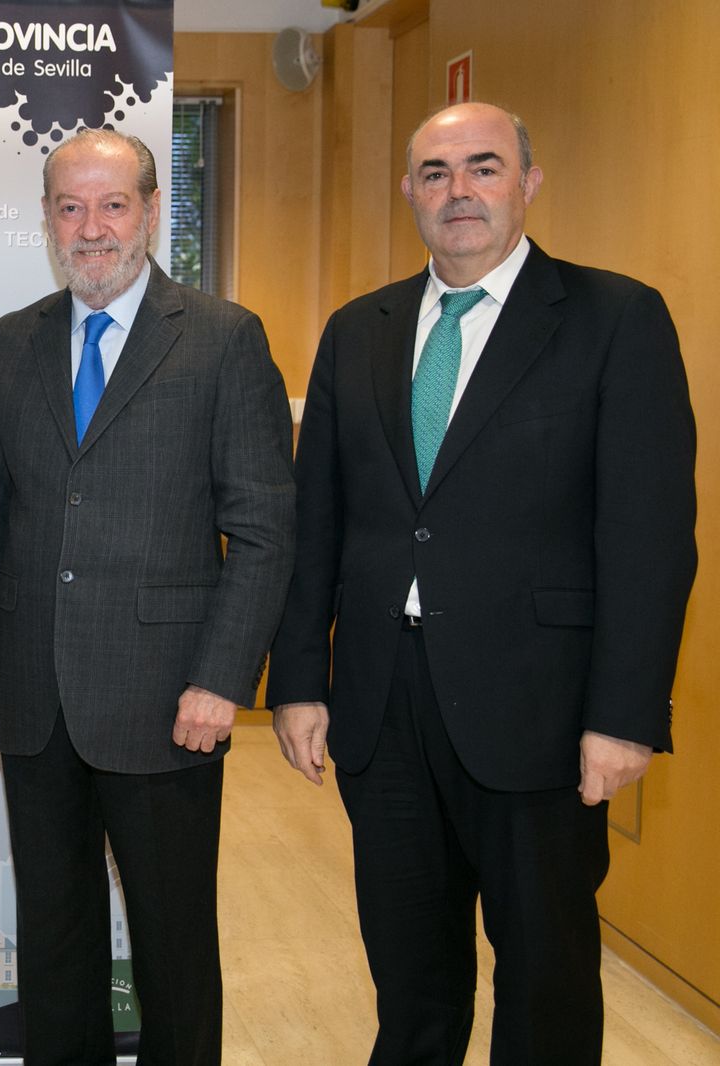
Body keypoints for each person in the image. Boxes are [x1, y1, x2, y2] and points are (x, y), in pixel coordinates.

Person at [267, 102, 697, 1064]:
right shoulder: (358, 330)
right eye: (434, 172)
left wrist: (624, 715)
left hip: (538, 710)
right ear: (410, 191)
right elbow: (318, 523)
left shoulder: (613, 318)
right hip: (383, 707)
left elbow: (650, 536)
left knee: (543, 980)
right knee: (410, 978)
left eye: (484, 167)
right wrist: (298, 681)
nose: (458, 191)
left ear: (529, 183)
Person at [0, 127, 295, 1064]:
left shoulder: (224, 338)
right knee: (54, 938)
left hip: (169, 694)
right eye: (70, 206)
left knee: (172, 943)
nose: (90, 227)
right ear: (48, 221)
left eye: (111, 204)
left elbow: (264, 529)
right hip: (32, 693)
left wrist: (222, 680)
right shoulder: (9, 342)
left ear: (150, 211)